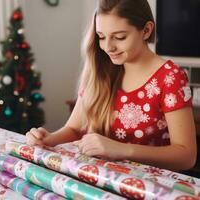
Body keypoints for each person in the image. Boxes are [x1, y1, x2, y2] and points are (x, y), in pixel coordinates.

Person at [26, 0, 197, 171]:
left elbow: (186, 156)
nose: (108, 47)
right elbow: (75, 128)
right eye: (101, 36)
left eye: (119, 37)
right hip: (100, 180)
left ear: (146, 30)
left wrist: (122, 150)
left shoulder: (170, 77)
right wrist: (48, 139)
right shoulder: (100, 70)